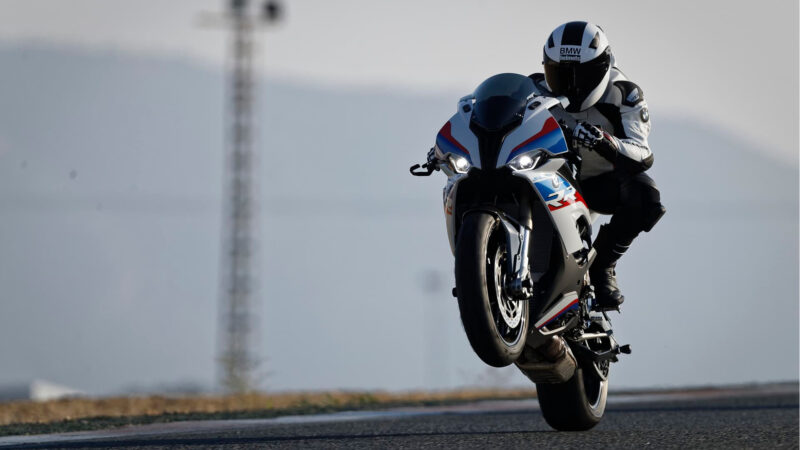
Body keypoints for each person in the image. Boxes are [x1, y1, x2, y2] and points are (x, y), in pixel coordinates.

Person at [530, 21, 666, 310]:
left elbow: (643, 153)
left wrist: (608, 143)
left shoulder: (624, 94)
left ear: (604, 67)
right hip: (545, 180)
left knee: (646, 195)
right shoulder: (532, 89)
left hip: (598, 186)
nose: (571, 85)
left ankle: (603, 265)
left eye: (583, 75)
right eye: (560, 74)